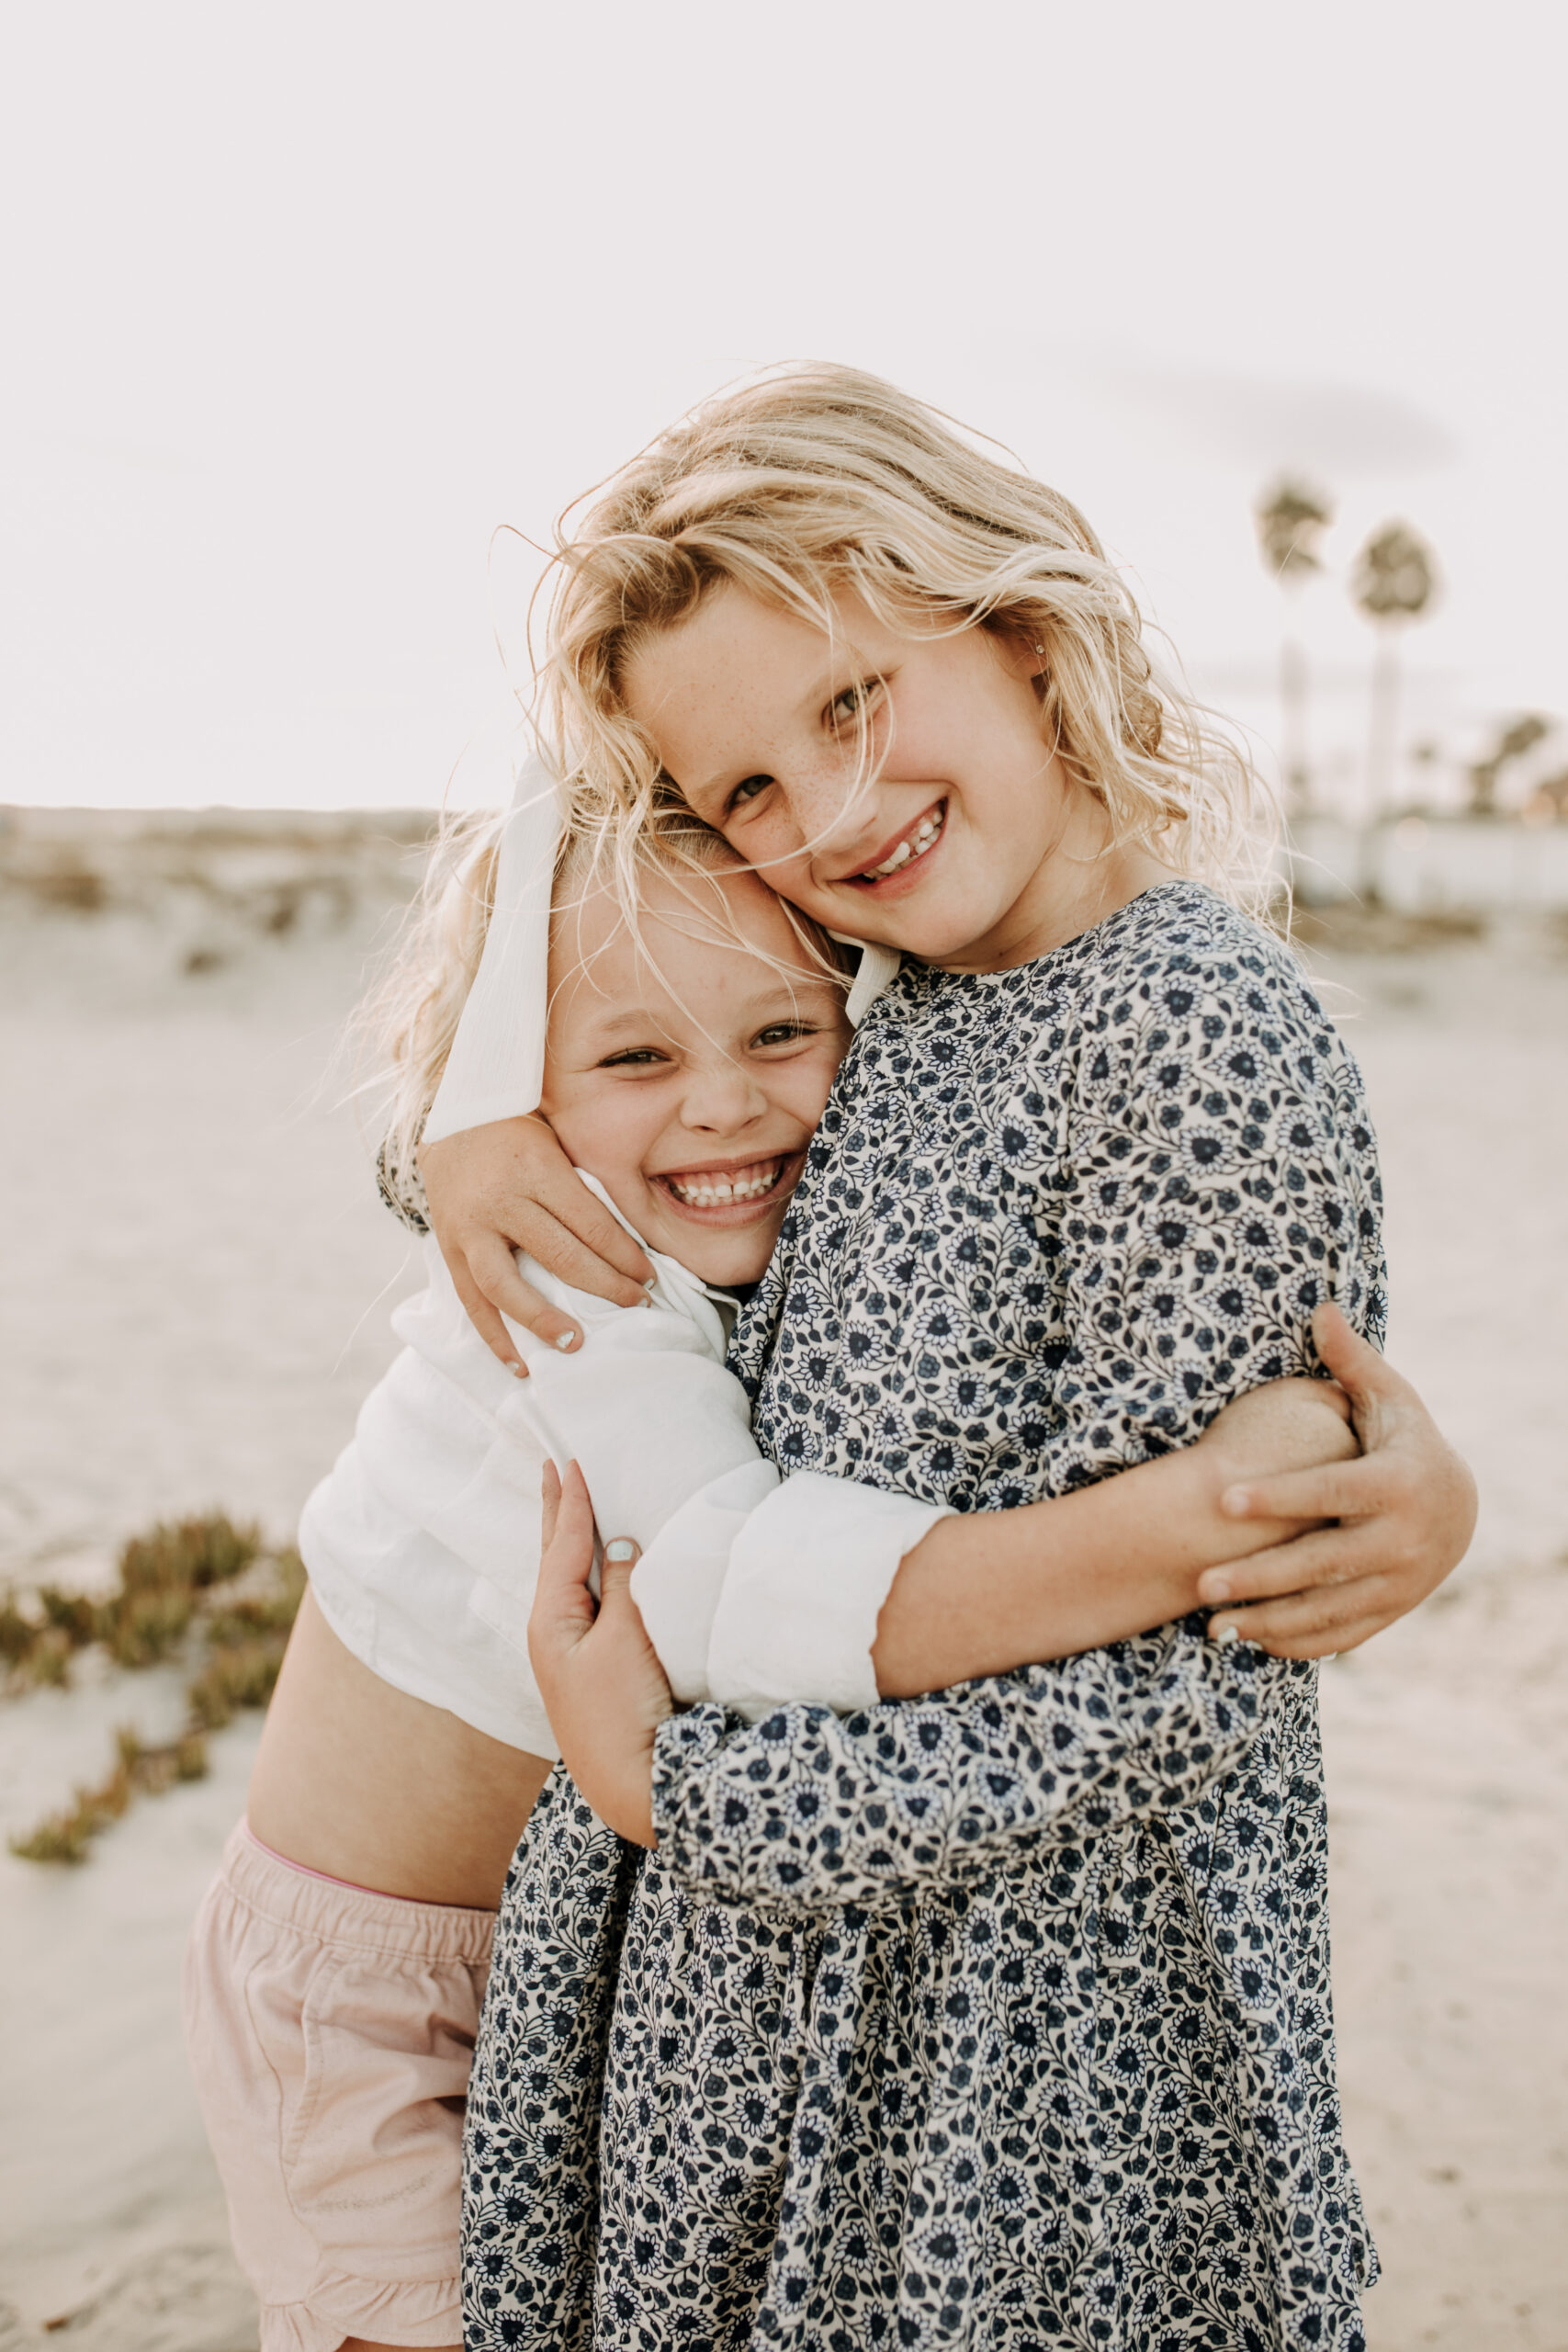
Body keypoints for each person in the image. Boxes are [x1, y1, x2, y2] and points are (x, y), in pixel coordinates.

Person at [444, 367, 1480, 2351]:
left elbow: (1186, 1665)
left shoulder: (1193, 1029)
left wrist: (682, 1791)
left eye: (852, 700)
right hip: (769, 2023)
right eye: (747, 786)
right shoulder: (875, 988)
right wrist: (461, 1129)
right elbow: (642, 1114)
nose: (824, 811)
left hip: (1023, 2076)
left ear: (1015, 623)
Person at [184, 783, 1371, 2352]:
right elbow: (723, 1586)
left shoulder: (740, 1233)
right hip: (357, 1995)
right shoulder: (568, 1272)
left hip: (544, 1964)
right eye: (634, 1059)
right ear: (513, 1093)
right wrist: (1157, 1535)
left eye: (780, 1037)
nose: (726, 1107)